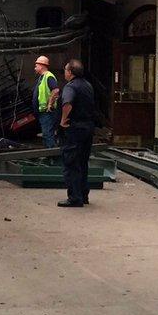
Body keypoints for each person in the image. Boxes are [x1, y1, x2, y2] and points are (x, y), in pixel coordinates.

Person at [58, 59, 95, 208]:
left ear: (70, 72)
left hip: (74, 129)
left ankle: (74, 198)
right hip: (88, 127)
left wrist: (62, 120)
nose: (65, 72)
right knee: (82, 162)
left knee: (71, 163)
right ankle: (83, 194)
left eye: (66, 70)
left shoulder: (70, 87)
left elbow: (67, 103)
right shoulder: (88, 85)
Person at [32, 55, 60, 148]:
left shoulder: (48, 76)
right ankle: (49, 155)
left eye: (36, 65)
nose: (35, 68)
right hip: (42, 112)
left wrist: (49, 104)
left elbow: (55, 90)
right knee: (46, 134)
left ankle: (53, 157)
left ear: (42, 66)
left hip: (47, 112)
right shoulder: (41, 77)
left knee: (48, 135)